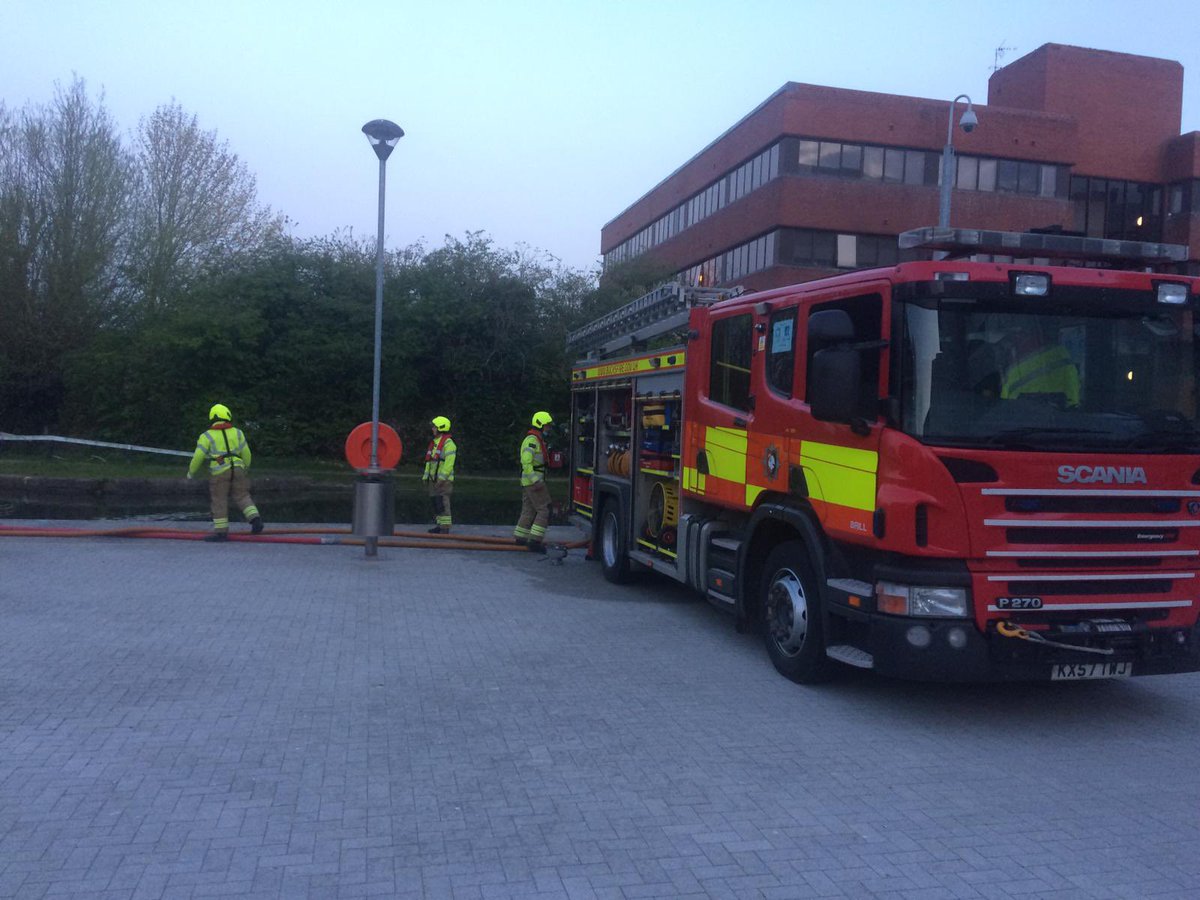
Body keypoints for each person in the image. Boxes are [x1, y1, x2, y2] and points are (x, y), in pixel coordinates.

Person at [187, 403, 263, 542]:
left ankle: (221, 533)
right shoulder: (238, 433)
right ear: (227, 416)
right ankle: (255, 520)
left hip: (220, 472)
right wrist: (245, 468)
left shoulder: (207, 436)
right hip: (238, 469)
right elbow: (247, 453)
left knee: (219, 500)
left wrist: (191, 473)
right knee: (242, 496)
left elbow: (198, 457)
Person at [1000, 326, 1081, 407]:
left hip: (1020, 416)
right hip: (1058, 415)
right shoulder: (1062, 355)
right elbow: (1073, 393)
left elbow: (1005, 403)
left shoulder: (1015, 367)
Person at [513, 411, 554, 553]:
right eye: (547, 426)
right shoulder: (532, 440)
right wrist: (536, 480)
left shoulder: (536, 440)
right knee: (545, 509)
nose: (549, 428)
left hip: (529, 481)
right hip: (534, 482)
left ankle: (520, 538)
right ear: (540, 425)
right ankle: (535, 541)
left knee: (528, 510)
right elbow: (526, 462)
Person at [422, 415, 457, 534]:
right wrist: (426, 477)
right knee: (435, 502)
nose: (432, 429)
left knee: (443, 502)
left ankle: (445, 527)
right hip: (434, 479)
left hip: (443, 480)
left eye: (434, 427)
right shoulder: (435, 443)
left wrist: (441, 479)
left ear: (441, 428)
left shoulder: (449, 444)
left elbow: (448, 464)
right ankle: (439, 524)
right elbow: (430, 462)